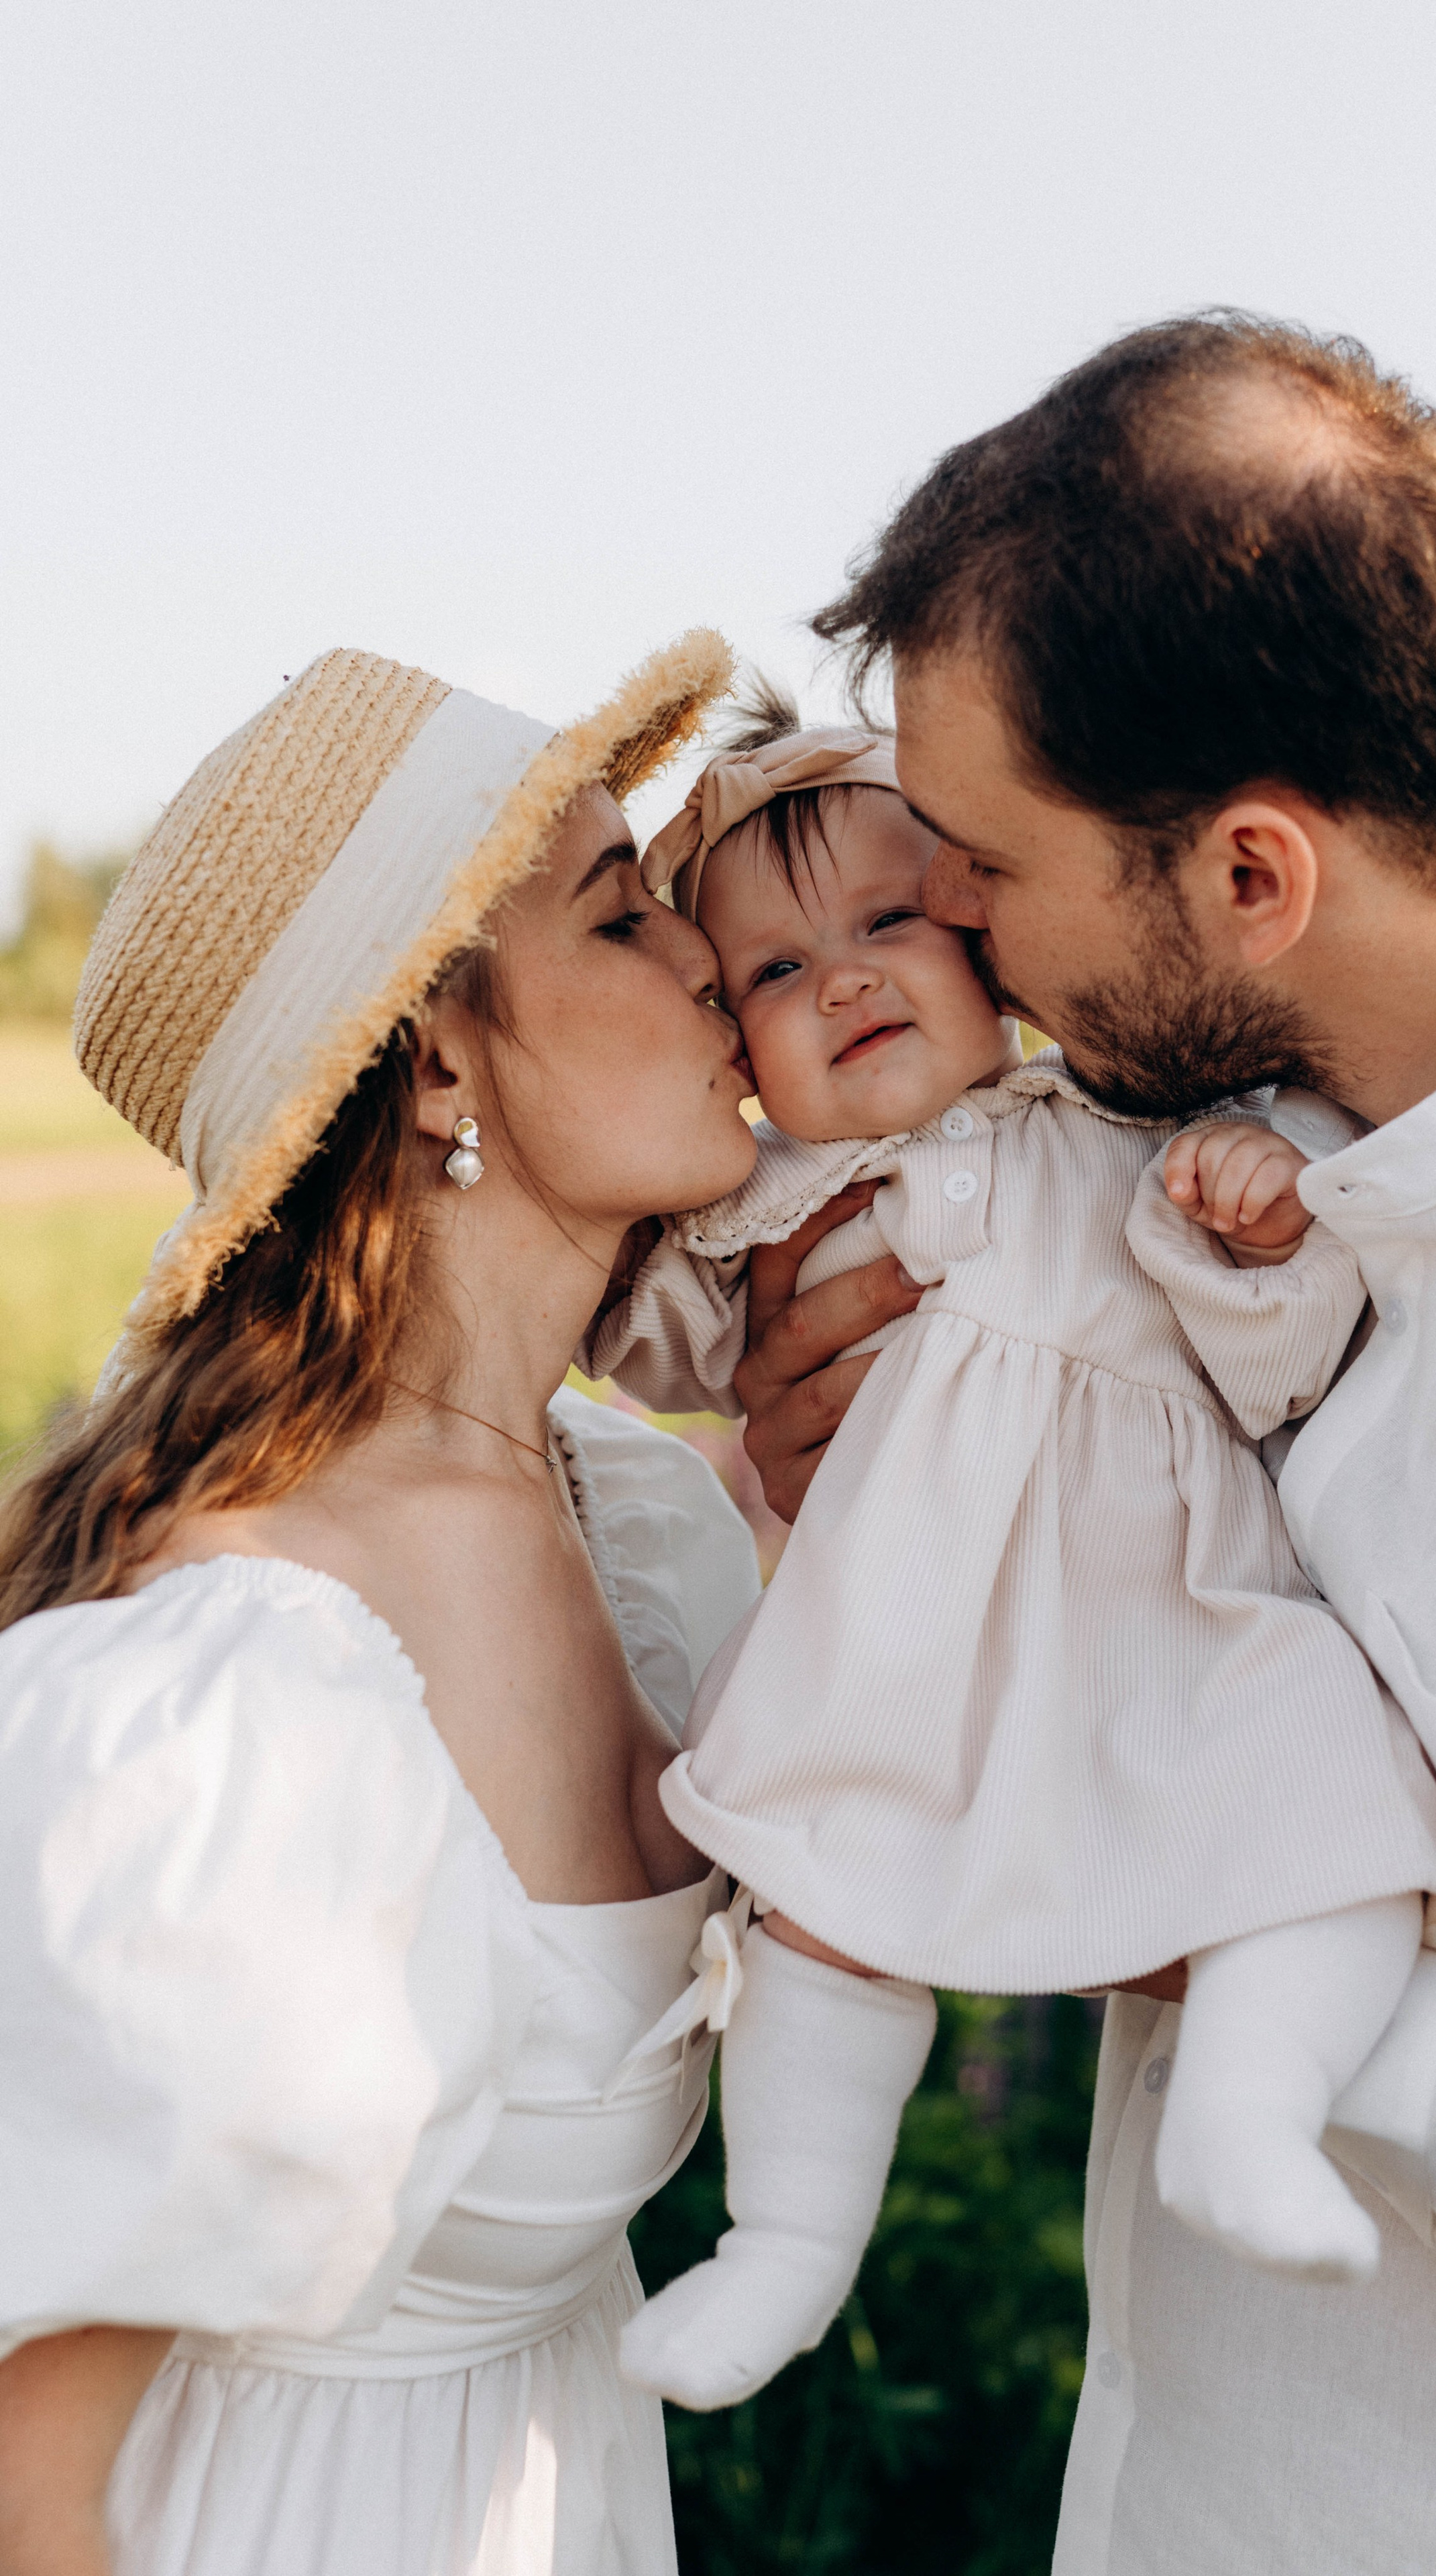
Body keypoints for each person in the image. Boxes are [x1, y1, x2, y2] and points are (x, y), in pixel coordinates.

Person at [738, 313, 1436, 2571]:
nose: (945, 921)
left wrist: (1229, 1915)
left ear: (1253, 877)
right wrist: (892, 1520)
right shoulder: (1213, 1149)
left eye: (979, 859)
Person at [583, 687, 1436, 2414]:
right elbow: (642, 1331)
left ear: (989, 940)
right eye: (772, 974)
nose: (841, 980)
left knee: (1330, 1822)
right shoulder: (780, 1206)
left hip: (1173, 1616)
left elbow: (1281, 1360)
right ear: (739, 1052)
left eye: (884, 925)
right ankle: (784, 2242)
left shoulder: (1116, 1131)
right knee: (817, 1909)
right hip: (906, 1639)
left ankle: (1247, 2112)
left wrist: (1251, 1230)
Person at [0, 637, 765, 2576]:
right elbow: (28, 2502)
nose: (702, 960)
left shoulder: (639, 1518)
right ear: (437, 1053)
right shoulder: (246, 1665)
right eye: (620, 915)